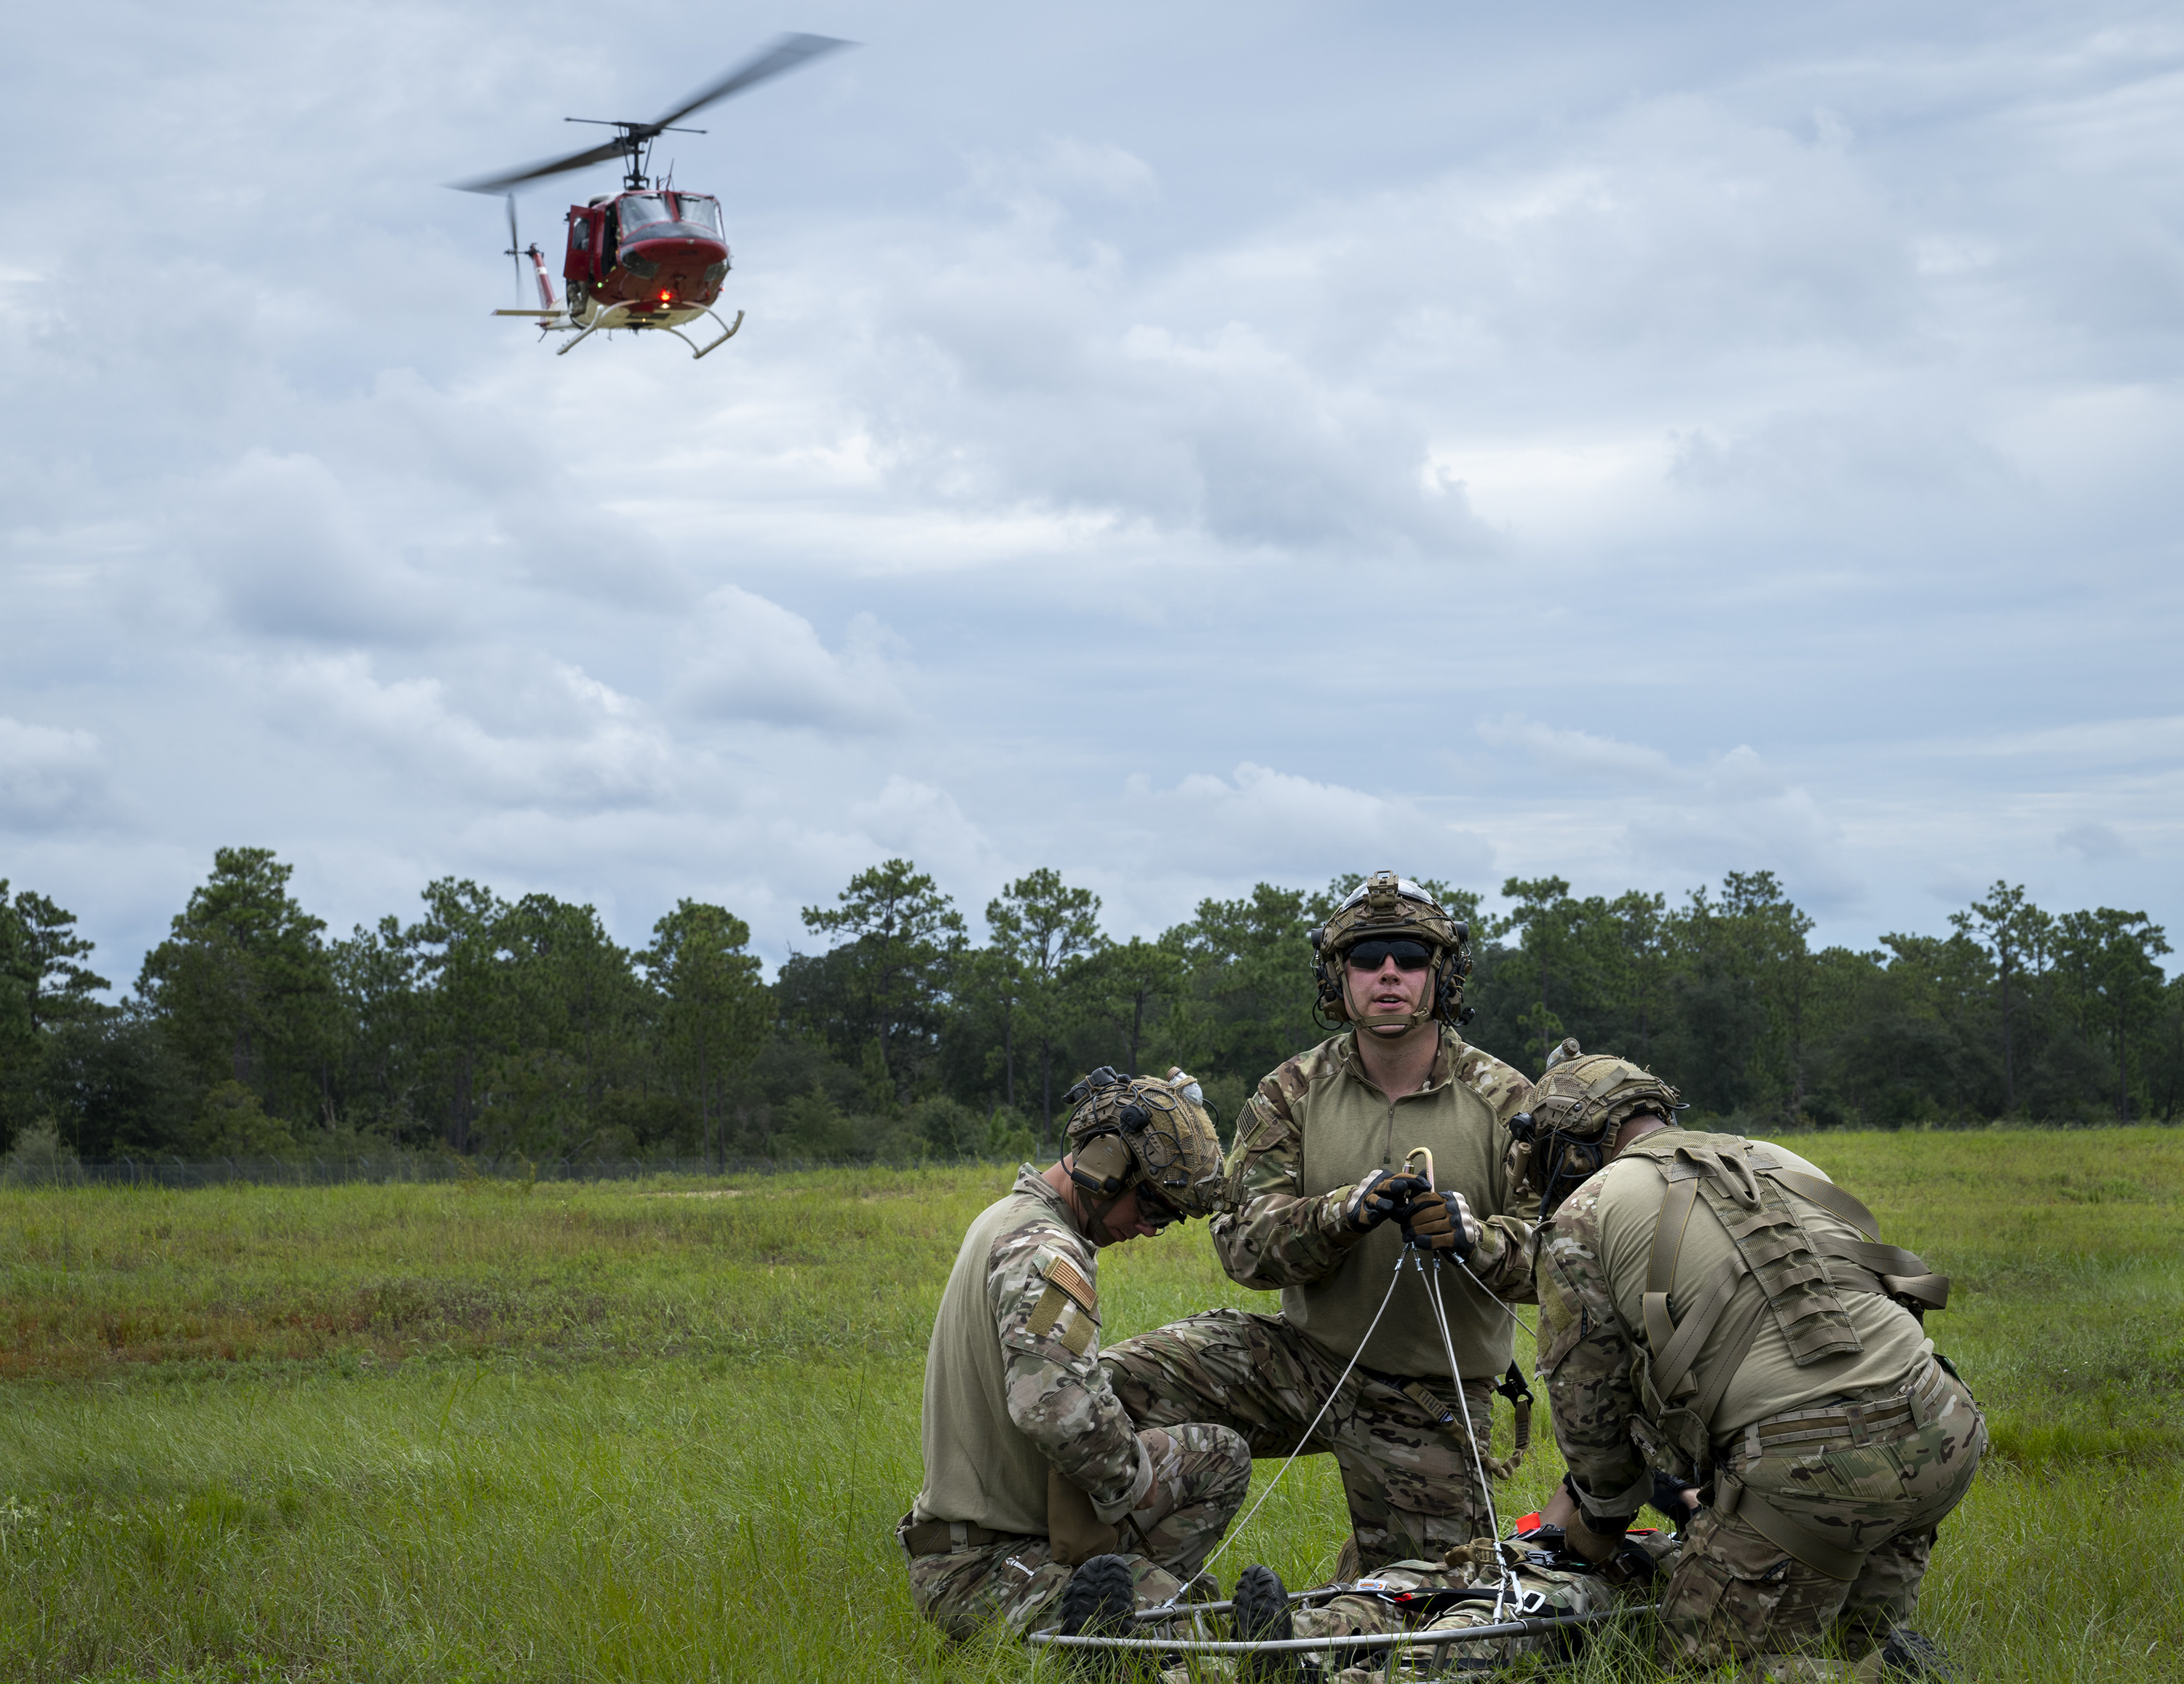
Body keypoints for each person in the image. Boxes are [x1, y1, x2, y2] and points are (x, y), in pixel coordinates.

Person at [1103, 871, 1541, 1572]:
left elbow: (1561, 1257)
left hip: (1428, 1395)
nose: (1389, 973)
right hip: (1301, 1360)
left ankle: (1321, 1614)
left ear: (1443, 973)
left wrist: (1472, 1236)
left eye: (1409, 956)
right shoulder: (1292, 1091)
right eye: (1368, 959)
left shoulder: (1508, 1100)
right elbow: (1243, 1246)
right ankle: (1113, 1583)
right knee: (1106, 1388)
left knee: (1429, 1600)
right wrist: (1343, 1213)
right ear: (1339, 978)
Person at [1522, 1048, 1983, 1678]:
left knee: (1698, 1666)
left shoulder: (1583, 1212)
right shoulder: (1775, 1156)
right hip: (1941, 1418)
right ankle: (1885, 1660)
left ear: (1569, 1152)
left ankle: (1882, 1678)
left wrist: (1598, 1527)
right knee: (1854, 1635)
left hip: (1813, 1465)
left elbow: (1590, 1410)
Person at [897, 1067, 1256, 1641]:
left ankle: (1136, 1595)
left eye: (1168, 1218)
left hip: (1016, 1539)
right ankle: (1136, 1612)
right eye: (1154, 1207)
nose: (1149, 1228)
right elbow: (1052, 1408)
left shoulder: (1013, 1220)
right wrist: (1130, 1494)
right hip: (982, 1569)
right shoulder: (1045, 1252)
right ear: (1107, 1163)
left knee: (1223, 1458)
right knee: (1198, 1641)